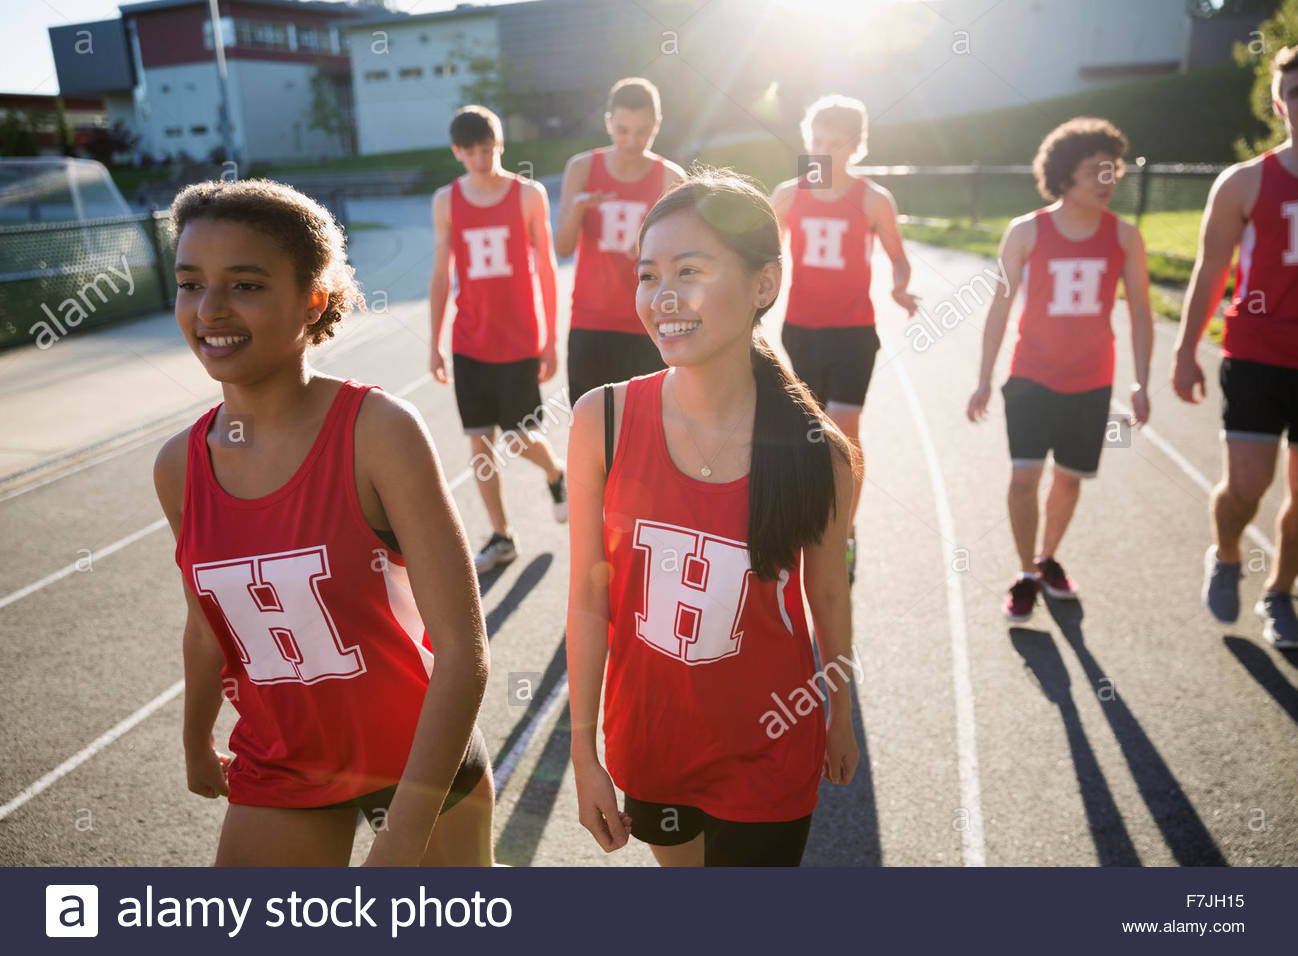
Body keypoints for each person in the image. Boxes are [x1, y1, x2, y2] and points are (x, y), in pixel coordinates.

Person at [154, 179, 494, 866]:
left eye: (245, 285)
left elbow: (463, 652)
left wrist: (405, 830)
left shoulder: (379, 432)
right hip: (281, 764)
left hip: (418, 758)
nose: (210, 309)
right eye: (191, 284)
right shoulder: (178, 466)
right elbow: (204, 625)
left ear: (313, 300)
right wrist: (195, 742)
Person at [566, 168, 860, 867]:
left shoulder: (821, 454)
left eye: (690, 271)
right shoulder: (599, 419)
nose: (663, 297)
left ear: (764, 285)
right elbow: (587, 593)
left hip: (769, 745)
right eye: (647, 275)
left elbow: (826, 596)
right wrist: (583, 749)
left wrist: (839, 714)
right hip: (652, 744)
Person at [966, 117, 1153, 623]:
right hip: (1030, 377)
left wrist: (1142, 382)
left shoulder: (1126, 236)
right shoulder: (1026, 231)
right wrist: (985, 377)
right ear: (1066, 174)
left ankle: (1048, 558)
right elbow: (1000, 307)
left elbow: (1139, 310)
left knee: (1069, 480)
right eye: (1098, 171)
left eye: (1114, 171)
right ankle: (1026, 574)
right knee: (1024, 477)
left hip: (1091, 382)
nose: (1109, 182)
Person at [1175, 44, 1298, 649]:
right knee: (1247, 488)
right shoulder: (1246, 182)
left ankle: (1279, 595)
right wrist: (1183, 352)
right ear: (1281, 103)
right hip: (1255, 357)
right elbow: (1209, 271)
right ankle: (1227, 554)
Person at [770, 94, 919, 583]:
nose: (823, 152)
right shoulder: (789, 195)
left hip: (855, 332)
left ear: (856, 146)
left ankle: (844, 532)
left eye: (835, 144)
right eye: (816, 141)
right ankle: (806, 522)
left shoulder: (875, 199)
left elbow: (897, 256)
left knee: (843, 430)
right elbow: (767, 255)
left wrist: (900, 284)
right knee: (809, 434)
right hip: (802, 330)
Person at [429, 104, 567, 574]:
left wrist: (550, 339)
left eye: (487, 150)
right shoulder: (446, 201)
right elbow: (441, 274)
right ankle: (502, 536)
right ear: (457, 152)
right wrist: (434, 341)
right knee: (479, 440)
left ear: (500, 144)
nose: (481, 160)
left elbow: (547, 268)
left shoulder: (528, 195)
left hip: (519, 339)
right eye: (471, 153)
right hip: (470, 339)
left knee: (516, 437)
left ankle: (555, 472)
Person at [556, 77, 686, 404]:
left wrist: (650, 249)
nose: (631, 140)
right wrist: (577, 210)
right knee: (591, 429)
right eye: (622, 129)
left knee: (647, 429)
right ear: (608, 122)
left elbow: (686, 257)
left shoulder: (671, 178)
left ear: (656, 126)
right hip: (590, 320)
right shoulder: (582, 167)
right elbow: (563, 248)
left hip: (648, 322)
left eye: (642, 131)